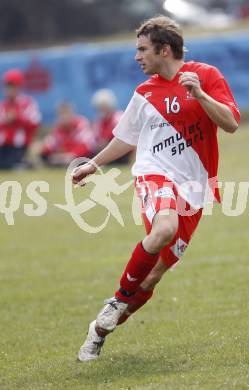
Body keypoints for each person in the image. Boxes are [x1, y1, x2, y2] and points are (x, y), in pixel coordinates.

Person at [72, 15, 240, 362]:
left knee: (151, 279)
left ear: (164, 50)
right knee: (165, 227)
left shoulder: (205, 76)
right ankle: (118, 299)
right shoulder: (144, 93)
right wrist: (94, 163)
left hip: (194, 188)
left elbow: (231, 123)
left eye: (142, 49)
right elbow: (125, 138)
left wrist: (201, 94)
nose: (137, 57)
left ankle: (101, 330)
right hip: (154, 173)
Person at [0, 69, 41, 169]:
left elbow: (34, 123)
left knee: (6, 164)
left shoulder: (27, 103)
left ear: (18, 87)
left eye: (12, 86)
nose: (9, 90)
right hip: (4, 145)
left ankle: (25, 163)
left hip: (19, 145)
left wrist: (16, 118)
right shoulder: (3, 105)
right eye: (7, 86)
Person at [41, 102, 94, 166]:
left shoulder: (81, 123)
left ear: (72, 113)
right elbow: (50, 145)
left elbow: (87, 145)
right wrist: (45, 148)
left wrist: (72, 155)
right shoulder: (59, 127)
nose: (63, 117)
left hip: (83, 158)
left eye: (66, 113)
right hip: (65, 159)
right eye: (61, 114)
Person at [91, 89, 130, 164]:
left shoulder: (119, 117)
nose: (102, 110)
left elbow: (122, 138)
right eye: (100, 107)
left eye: (104, 107)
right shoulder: (99, 122)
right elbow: (97, 140)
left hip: (122, 152)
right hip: (105, 150)